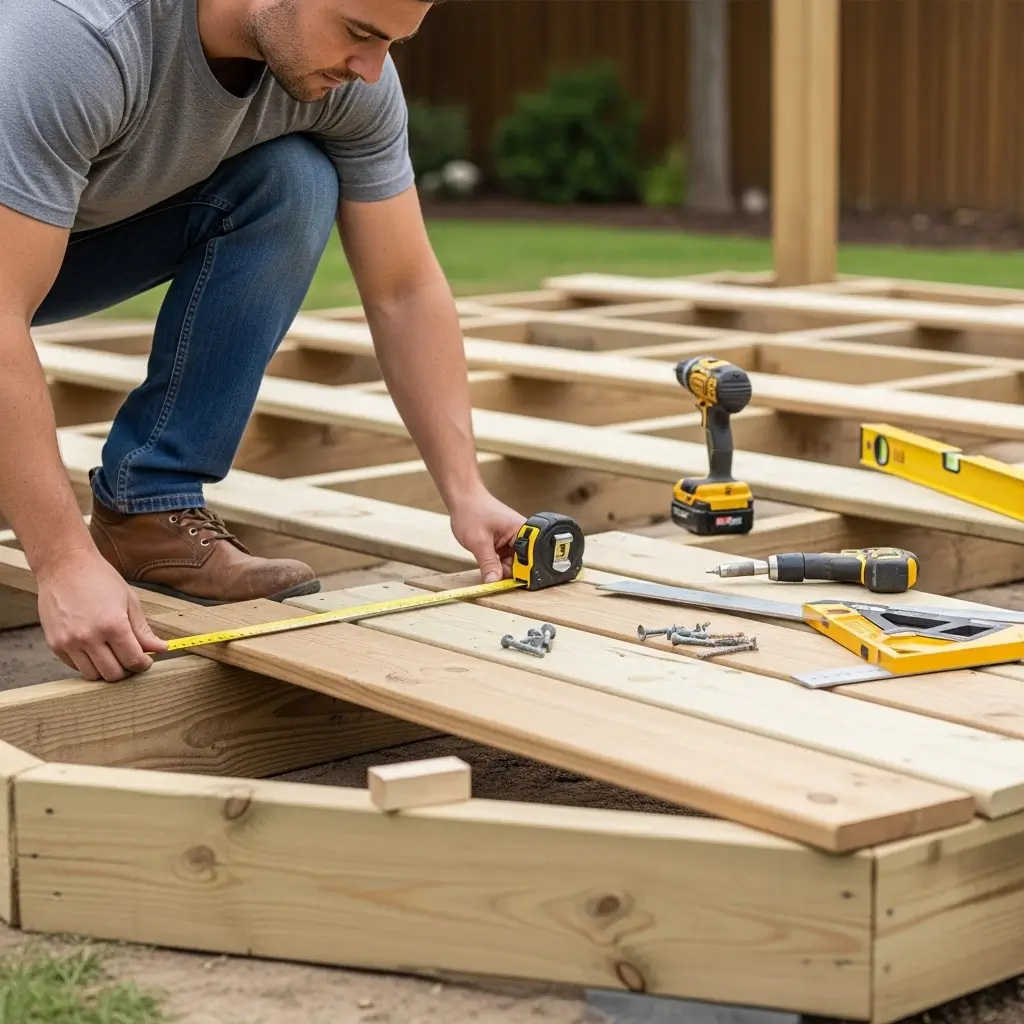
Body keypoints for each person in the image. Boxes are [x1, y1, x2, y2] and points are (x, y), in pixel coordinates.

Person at [0, 0, 527, 684]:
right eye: (360, 34)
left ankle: (148, 512)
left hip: (55, 238)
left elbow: (403, 288)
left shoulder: (345, 84)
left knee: (295, 180)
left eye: (391, 44)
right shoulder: (80, 38)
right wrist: (62, 560)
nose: (372, 70)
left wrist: (466, 491)